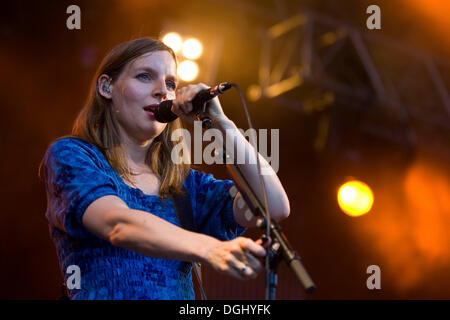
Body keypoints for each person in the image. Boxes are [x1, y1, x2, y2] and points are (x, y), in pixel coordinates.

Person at [40, 37, 290, 300]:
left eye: (171, 84)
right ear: (106, 87)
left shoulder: (186, 186)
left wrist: (221, 123)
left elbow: (274, 205)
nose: (163, 91)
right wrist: (209, 248)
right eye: (145, 76)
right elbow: (118, 224)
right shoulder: (71, 156)